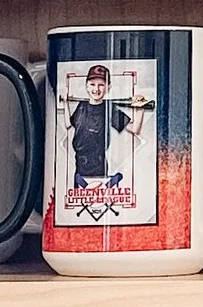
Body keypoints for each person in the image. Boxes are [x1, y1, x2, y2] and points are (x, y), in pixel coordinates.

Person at [61, 60, 148, 220]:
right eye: (92, 84)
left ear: (108, 87)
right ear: (86, 86)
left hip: (97, 168)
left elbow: (135, 128)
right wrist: (66, 104)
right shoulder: (81, 106)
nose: (96, 89)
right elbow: (68, 125)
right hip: (79, 167)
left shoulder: (110, 110)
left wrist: (140, 107)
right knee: (79, 213)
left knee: (96, 210)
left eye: (101, 85)